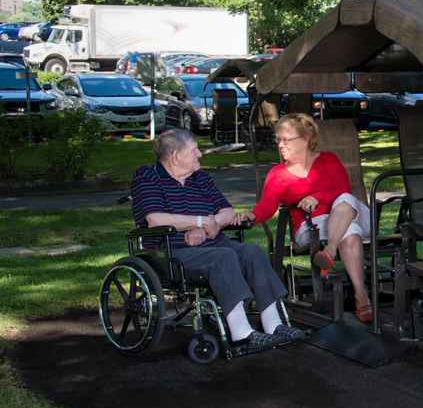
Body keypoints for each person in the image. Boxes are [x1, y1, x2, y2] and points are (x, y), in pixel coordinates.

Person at [131, 128, 304, 350]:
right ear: (175, 156)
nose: (200, 155)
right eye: (194, 150)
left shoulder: (201, 178)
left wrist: (203, 229)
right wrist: (201, 221)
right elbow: (155, 219)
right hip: (172, 251)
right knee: (224, 256)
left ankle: (273, 324)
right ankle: (242, 333)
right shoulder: (147, 177)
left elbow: (227, 213)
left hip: (213, 242)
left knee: (251, 251)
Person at [241, 113, 374, 321]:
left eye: (287, 140)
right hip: (310, 226)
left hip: (351, 213)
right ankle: (361, 294)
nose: (281, 145)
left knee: (345, 199)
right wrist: (253, 214)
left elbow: (342, 190)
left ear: (306, 140)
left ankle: (329, 250)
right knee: (348, 230)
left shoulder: (328, 159)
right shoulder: (277, 174)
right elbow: (267, 205)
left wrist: (316, 197)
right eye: (279, 140)